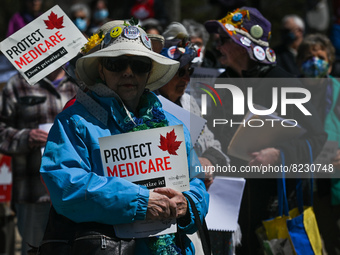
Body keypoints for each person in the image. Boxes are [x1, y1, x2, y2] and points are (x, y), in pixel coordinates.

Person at [39, 20, 209, 255]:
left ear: (149, 72)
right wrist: (140, 201)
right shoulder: (74, 122)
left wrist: (188, 203)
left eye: (139, 65)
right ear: (101, 69)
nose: (128, 72)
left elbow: (196, 181)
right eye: (117, 64)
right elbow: (66, 186)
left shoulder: (172, 123)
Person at [204, 7, 327, 254]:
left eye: (224, 40)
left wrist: (279, 154)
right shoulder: (221, 83)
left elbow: (317, 138)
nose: (217, 46)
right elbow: (212, 131)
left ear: (245, 45)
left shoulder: (284, 82)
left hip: (276, 206)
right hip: (230, 205)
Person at [0, 67, 77, 255]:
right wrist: (27, 137)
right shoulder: (17, 85)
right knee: (34, 250)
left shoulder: (79, 83)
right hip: (33, 193)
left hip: (74, 191)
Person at [296, 33, 340, 255]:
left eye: (320, 57)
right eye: (307, 57)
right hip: (306, 186)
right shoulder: (289, 94)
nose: (314, 62)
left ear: (330, 65)